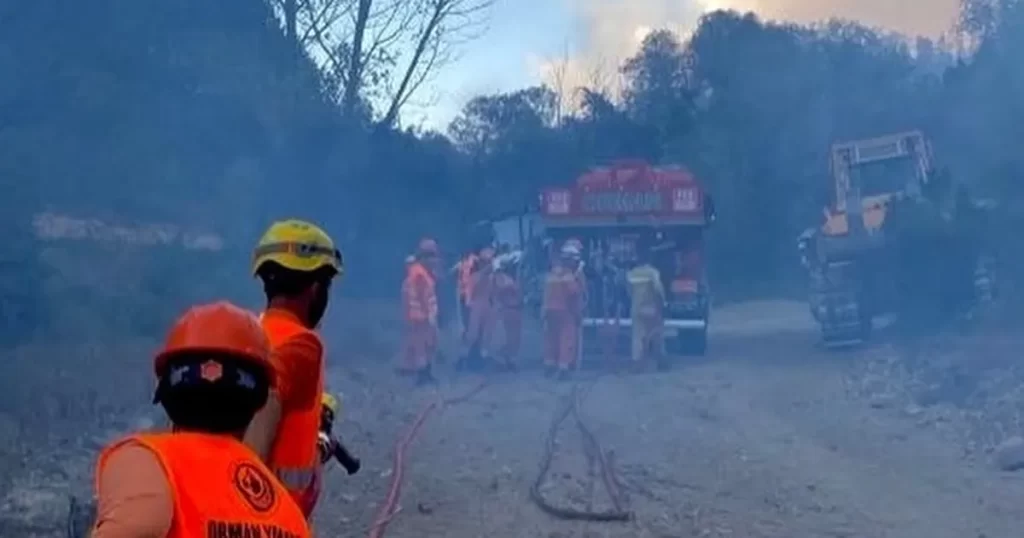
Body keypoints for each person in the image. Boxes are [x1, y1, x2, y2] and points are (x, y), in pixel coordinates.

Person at [91, 302, 310, 538]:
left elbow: (134, 527)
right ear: (258, 400)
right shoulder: (289, 516)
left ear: (166, 392)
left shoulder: (147, 461)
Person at [246, 219, 343, 518]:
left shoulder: (252, 331)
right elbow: (257, 437)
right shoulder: (302, 346)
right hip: (273, 519)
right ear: (316, 289)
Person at [542, 242, 585, 380]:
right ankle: (563, 368)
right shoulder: (568, 274)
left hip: (550, 310)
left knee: (551, 338)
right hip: (565, 311)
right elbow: (574, 293)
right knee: (567, 338)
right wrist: (579, 279)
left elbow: (546, 293)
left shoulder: (552, 272)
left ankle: (549, 365)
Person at [403, 238, 441, 385]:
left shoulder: (421, 271)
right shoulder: (419, 273)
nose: (435, 260)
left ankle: (425, 373)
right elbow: (422, 296)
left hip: (421, 316)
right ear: (424, 257)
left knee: (428, 345)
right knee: (423, 346)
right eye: (432, 256)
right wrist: (430, 315)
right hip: (421, 317)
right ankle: (422, 375)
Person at [626, 246, 666, 370]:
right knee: (656, 333)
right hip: (651, 308)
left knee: (637, 336)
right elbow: (659, 290)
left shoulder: (631, 274)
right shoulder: (653, 272)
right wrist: (662, 305)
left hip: (636, 308)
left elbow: (629, 292)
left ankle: (637, 363)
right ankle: (660, 360)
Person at [458, 247, 496, 372]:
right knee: (472, 334)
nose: (488, 264)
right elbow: (469, 289)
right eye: (486, 262)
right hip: (475, 306)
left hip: (487, 306)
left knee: (486, 334)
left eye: (489, 261)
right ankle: (463, 359)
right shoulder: (474, 276)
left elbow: (494, 291)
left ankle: (482, 359)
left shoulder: (491, 276)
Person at [492, 255, 523, 371]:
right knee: (507, 337)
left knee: (514, 337)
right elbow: (500, 290)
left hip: (514, 310)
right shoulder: (502, 278)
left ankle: (509, 360)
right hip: (507, 310)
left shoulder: (511, 278)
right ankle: (505, 360)